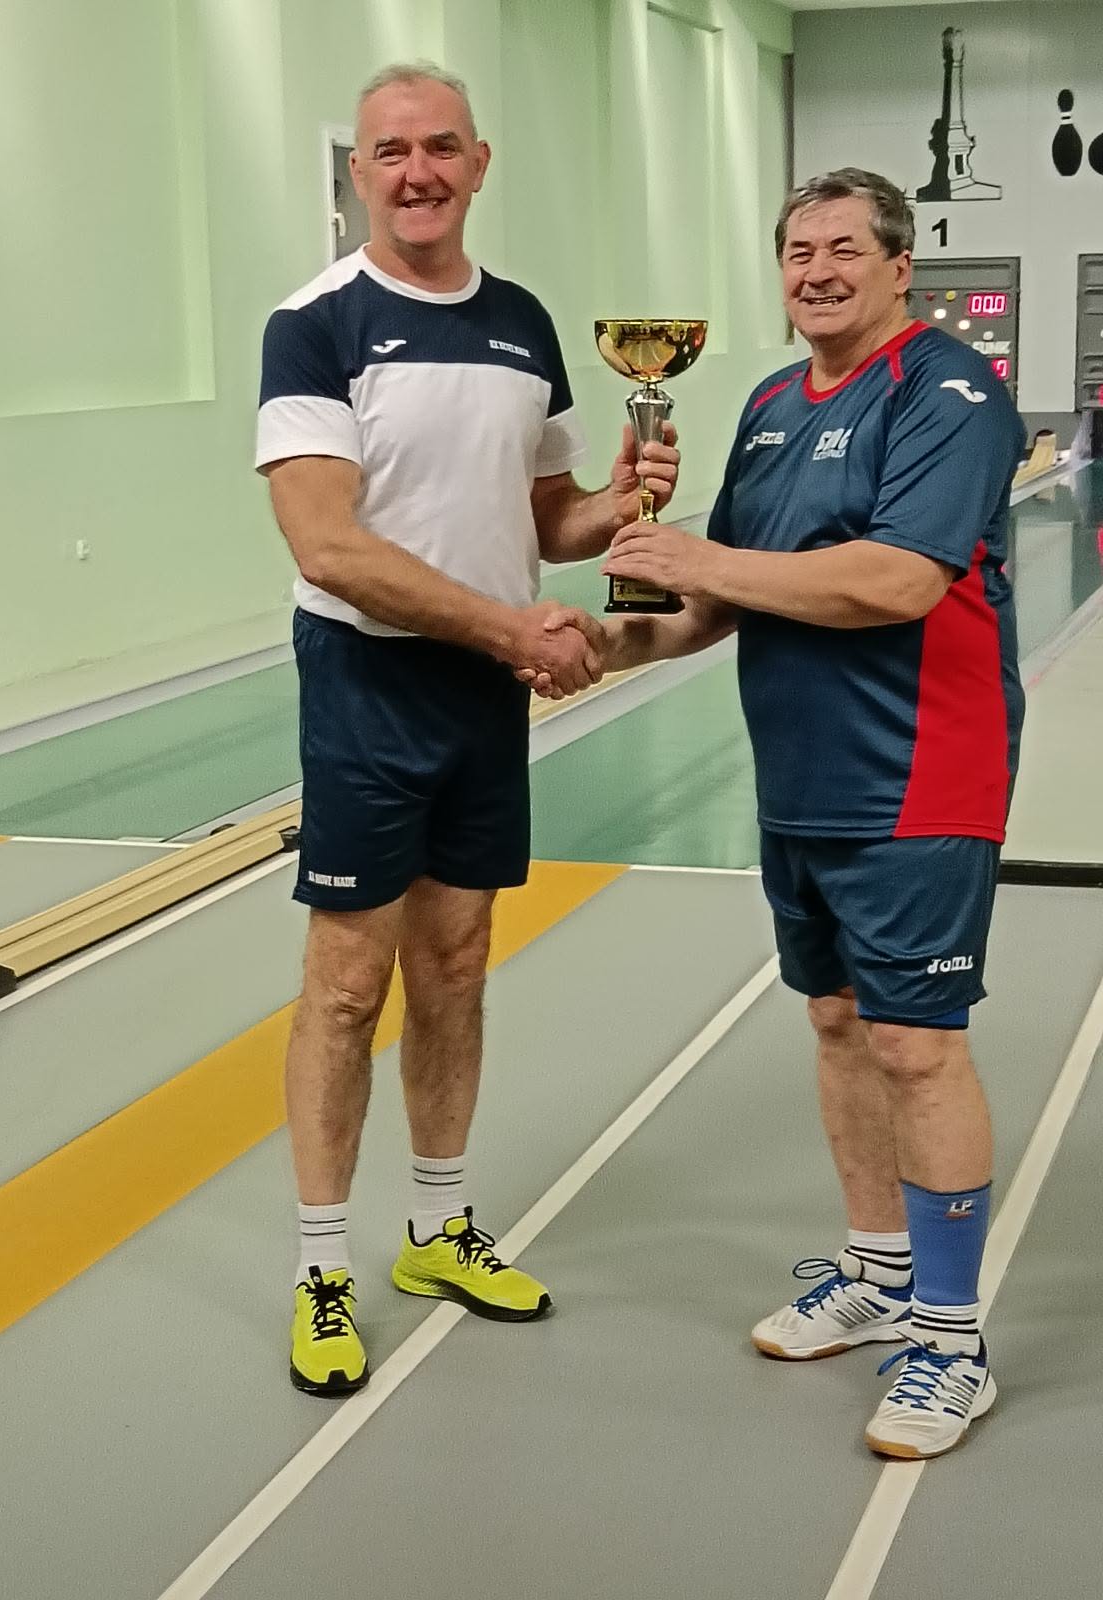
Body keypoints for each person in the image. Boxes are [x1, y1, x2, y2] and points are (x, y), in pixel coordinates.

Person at [255, 61, 680, 1396]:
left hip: (484, 694)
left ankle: (437, 1228)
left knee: (457, 961)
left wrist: (620, 499)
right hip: (368, 685)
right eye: (391, 151)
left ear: (479, 164)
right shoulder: (314, 323)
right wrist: (512, 632)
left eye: (442, 147)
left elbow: (546, 517)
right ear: (359, 172)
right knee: (347, 983)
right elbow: (328, 547)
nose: (418, 172)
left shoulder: (524, 322)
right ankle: (324, 1267)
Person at [587, 168, 1025, 1458]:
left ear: (900, 267)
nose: (816, 271)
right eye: (796, 251)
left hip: (920, 769)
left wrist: (700, 559)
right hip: (802, 776)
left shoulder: (948, 391)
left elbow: (897, 580)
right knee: (837, 1022)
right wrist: (604, 645)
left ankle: (952, 1341)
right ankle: (880, 1272)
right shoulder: (773, 405)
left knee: (915, 1045)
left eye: (843, 248)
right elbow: (717, 600)